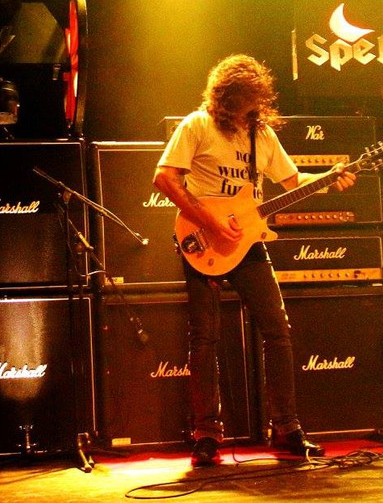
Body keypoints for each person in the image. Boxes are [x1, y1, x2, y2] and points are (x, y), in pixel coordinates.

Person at [152, 54, 356, 467]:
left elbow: (293, 182)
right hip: (202, 239)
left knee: (277, 329)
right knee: (204, 338)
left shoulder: (261, 136)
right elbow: (164, 178)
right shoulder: (197, 125)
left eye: (256, 99)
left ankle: (286, 428)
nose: (252, 106)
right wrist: (210, 221)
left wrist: (331, 178)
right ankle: (206, 434)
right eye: (244, 99)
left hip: (248, 243)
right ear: (226, 97)